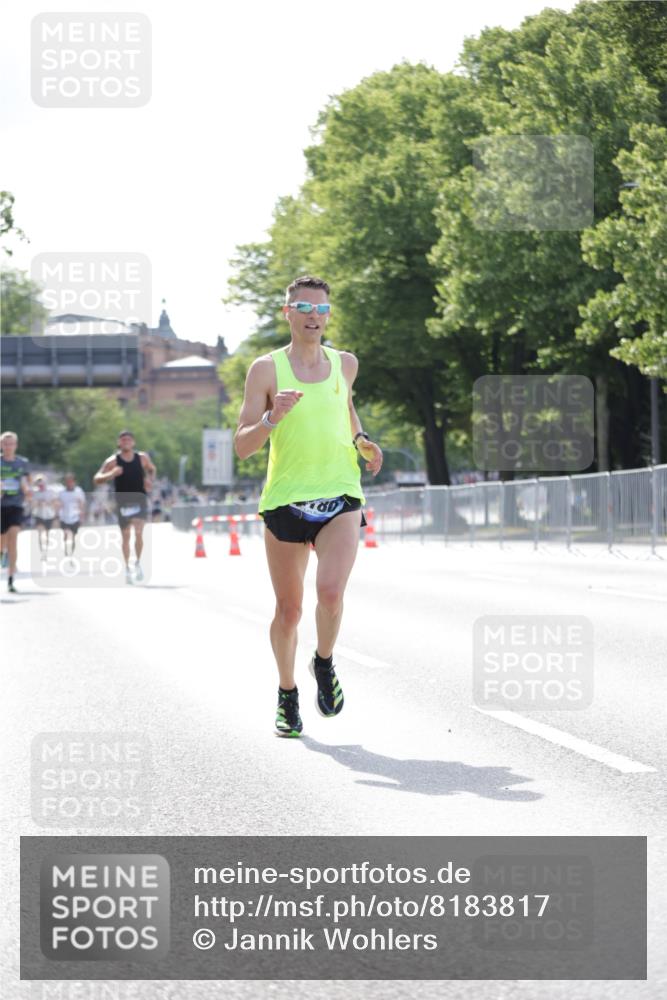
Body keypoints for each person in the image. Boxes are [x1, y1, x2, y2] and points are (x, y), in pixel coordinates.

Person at [234, 275, 383, 737]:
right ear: (288, 313)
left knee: (332, 593)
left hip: (340, 492)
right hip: (286, 501)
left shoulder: (346, 364)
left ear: (328, 315)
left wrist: (361, 441)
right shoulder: (265, 369)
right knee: (289, 611)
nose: (314, 317)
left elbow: (346, 408)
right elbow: (242, 446)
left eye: (321, 309)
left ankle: (323, 662)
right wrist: (271, 417)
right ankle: (286, 693)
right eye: (304, 307)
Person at [93, 430, 156, 584]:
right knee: (126, 536)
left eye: (129, 439)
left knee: (139, 532)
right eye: (123, 439)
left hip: (139, 499)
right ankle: (127, 567)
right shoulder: (112, 461)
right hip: (122, 501)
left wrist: (149, 480)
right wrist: (111, 474)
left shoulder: (142, 458)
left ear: (133, 442)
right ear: (119, 443)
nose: (126, 442)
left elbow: (152, 469)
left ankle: (138, 563)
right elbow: (96, 479)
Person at [1, 431, 31, 593]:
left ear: (16, 445)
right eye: (5, 443)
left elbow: (28, 482)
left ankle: (11, 579)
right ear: (1, 445)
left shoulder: (22, 463)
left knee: (13, 538)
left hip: (16, 505)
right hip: (1, 506)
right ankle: (2, 557)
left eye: (11, 443)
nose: (8, 446)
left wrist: (27, 490)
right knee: (1, 543)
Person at [58, 473, 86, 562]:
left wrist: (82, 515)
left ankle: (71, 554)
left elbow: (82, 504)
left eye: (71, 481)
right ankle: (66, 548)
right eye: (67, 481)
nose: (69, 483)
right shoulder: (62, 492)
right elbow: (59, 504)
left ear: (74, 482)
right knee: (67, 534)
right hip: (64, 517)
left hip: (75, 517)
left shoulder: (79, 491)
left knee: (73, 536)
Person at [31, 474, 59, 561]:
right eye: (38, 482)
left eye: (41, 481)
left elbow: (55, 503)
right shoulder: (35, 492)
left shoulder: (50, 491)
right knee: (40, 534)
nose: (40, 484)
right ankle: (42, 552)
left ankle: (45, 552)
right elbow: (32, 504)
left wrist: (48, 504)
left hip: (49, 515)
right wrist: (38, 503)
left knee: (46, 535)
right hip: (38, 515)